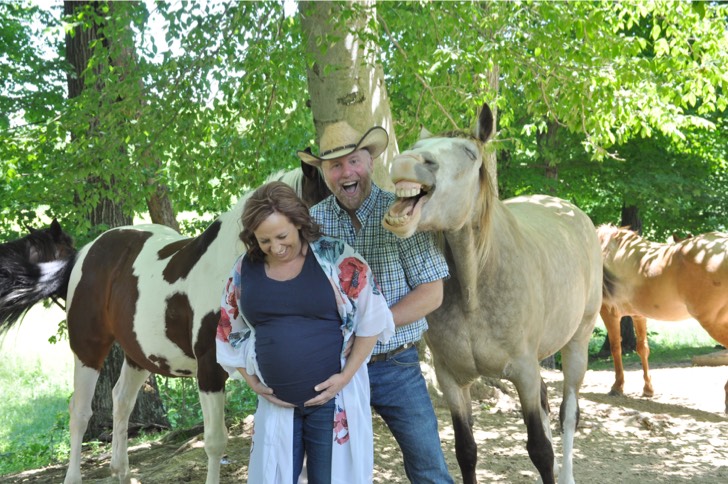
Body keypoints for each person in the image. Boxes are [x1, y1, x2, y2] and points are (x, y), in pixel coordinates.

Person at [298, 123, 454, 483]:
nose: (346, 173)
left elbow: (432, 293)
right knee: (326, 470)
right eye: (335, 166)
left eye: (354, 161)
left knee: (429, 469)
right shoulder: (312, 224)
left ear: (370, 162)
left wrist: (368, 328)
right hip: (332, 368)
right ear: (324, 173)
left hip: (395, 364)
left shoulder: (402, 213)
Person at [215, 181, 394, 484]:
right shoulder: (245, 269)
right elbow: (228, 329)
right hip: (276, 405)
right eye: (264, 240)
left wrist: (345, 377)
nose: (275, 247)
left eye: (282, 236)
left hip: (332, 401)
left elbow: (372, 319)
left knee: (331, 478)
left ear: (298, 222)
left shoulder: (336, 257)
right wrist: (252, 381)